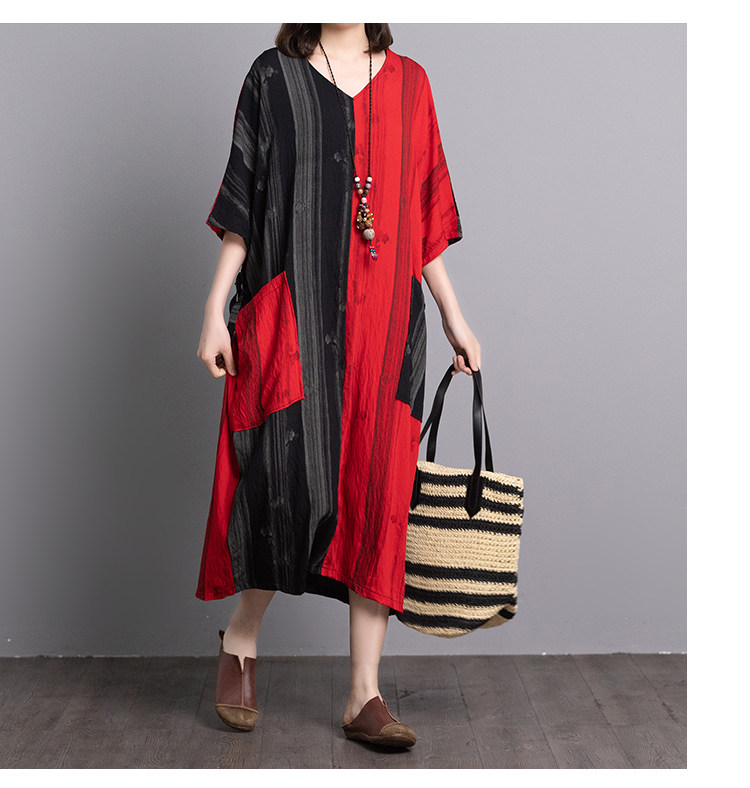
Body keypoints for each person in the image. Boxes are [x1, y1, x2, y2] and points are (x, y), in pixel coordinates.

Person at [195, 22, 481, 749]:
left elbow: (420, 219)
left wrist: (454, 316)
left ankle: (364, 694)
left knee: (376, 495)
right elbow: (244, 205)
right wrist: (214, 309)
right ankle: (242, 635)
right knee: (284, 485)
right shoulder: (272, 78)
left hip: (385, 330)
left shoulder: (412, 85)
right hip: (294, 318)